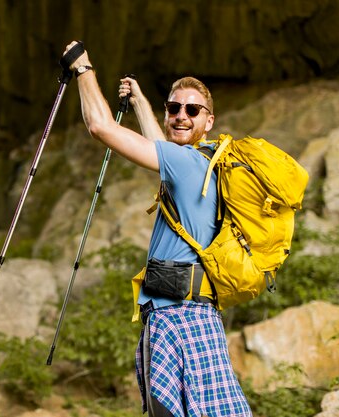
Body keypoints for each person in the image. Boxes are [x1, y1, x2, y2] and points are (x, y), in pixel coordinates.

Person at [62, 41, 252, 417]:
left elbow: (100, 126)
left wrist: (83, 70)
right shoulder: (203, 165)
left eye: (192, 110)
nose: (181, 116)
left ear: (209, 120)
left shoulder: (186, 163)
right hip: (198, 315)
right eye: (173, 108)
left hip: (174, 317)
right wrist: (139, 102)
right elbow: (160, 147)